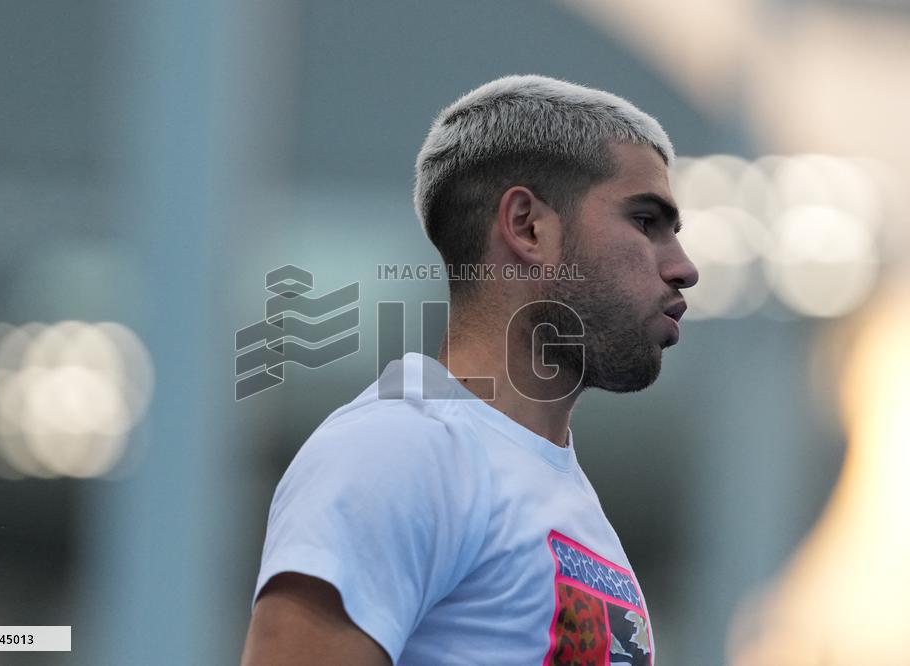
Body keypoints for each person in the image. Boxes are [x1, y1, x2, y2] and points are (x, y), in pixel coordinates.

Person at [241, 74, 699, 665]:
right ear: (528, 226)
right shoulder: (398, 448)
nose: (683, 267)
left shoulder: (565, 497)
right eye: (645, 222)